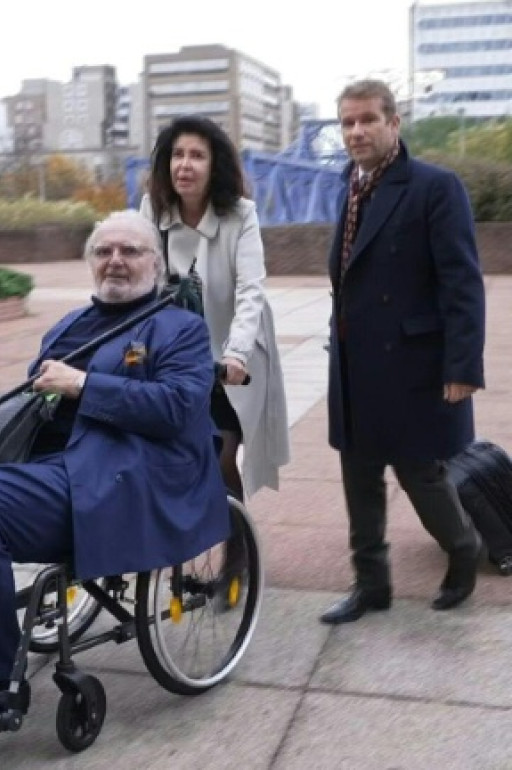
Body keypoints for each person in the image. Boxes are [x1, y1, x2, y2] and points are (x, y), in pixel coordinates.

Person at [0, 210, 229, 723]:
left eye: (130, 251)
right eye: (104, 251)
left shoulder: (180, 329)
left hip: (124, 478)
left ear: (155, 264)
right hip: (54, 467)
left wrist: (84, 385)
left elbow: (178, 408)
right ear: (90, 262)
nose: (115, 260)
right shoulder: (69, 325)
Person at [319, 80, 486, 624]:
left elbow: (462, 283)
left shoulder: (435, 186)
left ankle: (462, 549)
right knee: (358, 475)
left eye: (367, 119)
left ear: (394, 123)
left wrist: (462, 366)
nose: (356, 131)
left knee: (422, 474)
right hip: (353, 360)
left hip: (411, 361)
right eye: (347, 122)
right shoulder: (348, 185)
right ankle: (371, 586)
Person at [140, 115, 289, 501]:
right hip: (173, 354)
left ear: (214, 165)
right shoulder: (151, 211)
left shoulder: (241, 215)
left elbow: (250, 289)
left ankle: (238, 543)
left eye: (197, 156)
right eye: (177, 155)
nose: (184, 165)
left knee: (222, 453)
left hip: (228, 352)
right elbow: (142, 284)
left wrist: (236, 353)